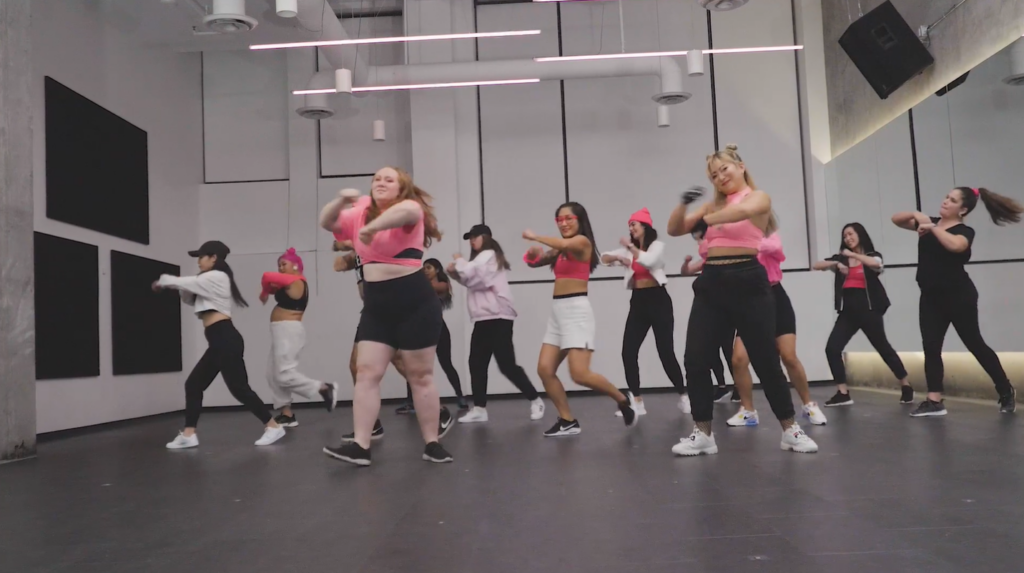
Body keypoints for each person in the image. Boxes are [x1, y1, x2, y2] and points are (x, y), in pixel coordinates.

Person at [666, 144, 817, 456]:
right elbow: (674, 228)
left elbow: (742, 211)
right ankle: (703, 432)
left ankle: (790, 429)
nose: (720, 177)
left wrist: (708, 218)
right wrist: (684, 205)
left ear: (741, 167)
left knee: (765, 360)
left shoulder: (758, 198)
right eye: (714, 174)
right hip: (711, 282)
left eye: (725, 169)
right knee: (695, 359)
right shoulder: (710, 208)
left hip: (748, 279)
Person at [318, 168, 454, 466]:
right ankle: (361, 445)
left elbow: (403, 211)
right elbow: (327, 221)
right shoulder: (359, 210)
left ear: (401, 188)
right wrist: (341, 200)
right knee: (366, 373)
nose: (380, 182)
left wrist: (372, 228)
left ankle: (432, 443)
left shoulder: (410, 209)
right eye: (377, 178)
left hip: (414, 303)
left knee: (420, 376)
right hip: (378, 306)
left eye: (389, 179)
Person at [893, 186, 1022, 416]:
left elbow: (957, 245)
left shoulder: (965, 230)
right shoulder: (928, 223)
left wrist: (931, 227)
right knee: (931, 348)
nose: (945, 201)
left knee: (975, 345)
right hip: (930, 297)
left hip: (959, 296)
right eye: (945, 197)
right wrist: (919, 215)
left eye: (952, 200)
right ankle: (935, 400)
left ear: (962, 209)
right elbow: (896, 220)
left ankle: (1005, 390)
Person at [154, 240, 285, 449]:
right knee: (194, 384)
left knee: (239, 389)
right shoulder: (205, 280)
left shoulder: (218, 277)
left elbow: (182, 283)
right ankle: (189, 434)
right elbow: (188, 297)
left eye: (201, 256)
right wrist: (180, 285)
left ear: (213, 257)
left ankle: (273, 426)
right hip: (217, 340)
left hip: (225, 338)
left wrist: (165, 280)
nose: (198, 261)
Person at [523, 202, 637, 437]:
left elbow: (563, 243)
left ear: (579, 220)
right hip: (558, 311)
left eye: (568, 219)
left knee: (579, 374)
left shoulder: (582, 242)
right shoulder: (561, 249)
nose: (563, 223)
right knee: (545, 369)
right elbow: (535, 262)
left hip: (576, 311)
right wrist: (532, 255)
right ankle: (567, 420)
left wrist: (536, 237)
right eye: (559, 220)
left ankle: (622, 399)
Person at [447, 224, 545, 423]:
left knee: (506, 365)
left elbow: (477, 278)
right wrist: (456, 273)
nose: (472, 240)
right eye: (470, 238)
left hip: (499, 316)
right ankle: (480, 409)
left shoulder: (489, 255)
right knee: (476, 363)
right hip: (483, 318)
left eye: (475, 236)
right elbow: (472, 282)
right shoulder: (479, 260)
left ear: (486, 237)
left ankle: (536, 400)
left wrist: (458, 261)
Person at [600, 208, 689, 416]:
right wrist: (618, 257)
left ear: (645, 227)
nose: (631, 228)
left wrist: (629, 250)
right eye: (629, 225)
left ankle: (684, 395)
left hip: (658, 300)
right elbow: (603, 258)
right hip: (638, 302)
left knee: (665, 351)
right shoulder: (628, 251)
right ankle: (636, 401)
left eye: (634, 224)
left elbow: (649, 261)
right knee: (628, 351)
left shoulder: (656, 246)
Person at [812, 223, 911, 408]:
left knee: (883, 348)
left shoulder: (872, 255)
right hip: (848, 312)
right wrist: (836, 263)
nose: (847, 238)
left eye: (851, 234)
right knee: (832, 349)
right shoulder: (842, 258)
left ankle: (905, 385)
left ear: (860, 235)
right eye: (845, 236)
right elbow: (816, 265)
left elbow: (876, 264)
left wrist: (854, 255)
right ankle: (843, 392)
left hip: (869, 309)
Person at [258, 248, 338, 427]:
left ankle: (323, 388)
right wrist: (266, 291)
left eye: (283, 264)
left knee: (284, 374)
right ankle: (286, 414)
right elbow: (271, 285)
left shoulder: (297, 281)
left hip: (289, 331)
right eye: (279, 264)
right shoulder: (287, 283)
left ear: (295, 266)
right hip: (280, 331)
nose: (280, 267)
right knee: (272, 374)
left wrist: (264, 292)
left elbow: (266, 277)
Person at [394, 259, 468, 412]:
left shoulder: (442, 285)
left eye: (429, 267)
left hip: (438, 329)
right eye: (424, 268)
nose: (425, 270)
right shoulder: (419, 286)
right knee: (413, 366)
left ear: (437, 270)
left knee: (446, 364)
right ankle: (411, 401)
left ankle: (460, 396)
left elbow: (431, 288)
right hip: (419, 329)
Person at [682, 232, 735, 402]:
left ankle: (739, 388)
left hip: (726, 312)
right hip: (709, 314)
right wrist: (686, 262)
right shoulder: (705, 263)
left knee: (728, 350)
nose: (699, 244)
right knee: (711, 352)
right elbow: (687, 272)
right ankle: (721, 387)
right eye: (696, 240)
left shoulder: (721, 261)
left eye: (701, 239)